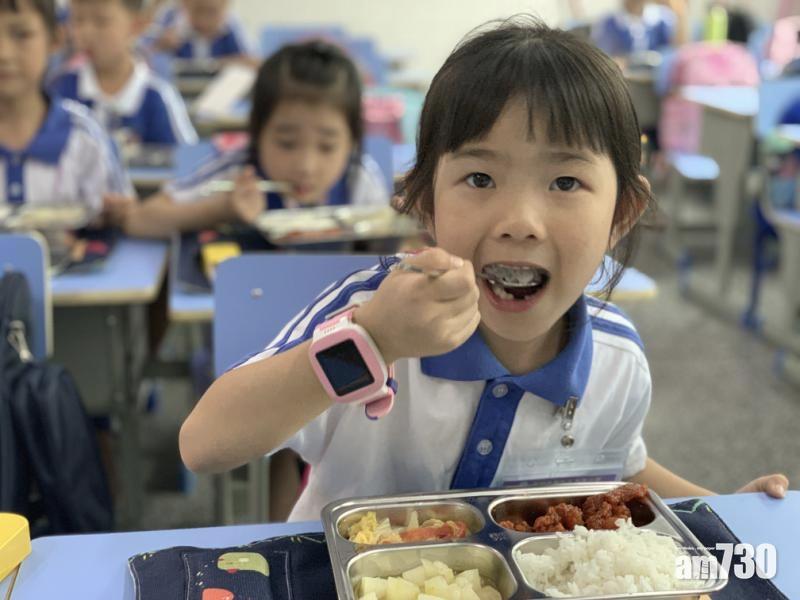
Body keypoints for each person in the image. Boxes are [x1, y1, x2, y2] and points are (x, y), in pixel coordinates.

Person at [179, 17, 788, 521]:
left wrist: (722, 510)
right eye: (479, 178)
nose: (519, 221)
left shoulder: (617, 359)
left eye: (565, 182)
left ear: (621, 214)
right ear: (424, 202)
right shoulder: (367, 311)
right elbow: (203, 444)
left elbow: (620, 468)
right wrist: (373, 342)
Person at [119, 40, 389, 239]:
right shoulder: (236, 171)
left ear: (352, 142)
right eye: (287, 143)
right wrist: (223, 209)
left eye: (327, 147)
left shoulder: (359, 180)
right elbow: (138, 220)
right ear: (258, 133)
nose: (306, 166)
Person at [0, 0, 131, 212]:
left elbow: (120, 220)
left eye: (22, 35)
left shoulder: (84, 137)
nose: (3, 53)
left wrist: (111, 219)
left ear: (56, 39)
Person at [50, 0, 197, 147]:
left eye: (101, 21)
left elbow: (188, 157)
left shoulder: (157, 97)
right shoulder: (59, 88)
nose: (86, 33)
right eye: (78, 20)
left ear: (137, 25)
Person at [143, 0, 252, 61]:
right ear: (185, 4)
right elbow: (141, 56)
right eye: (199, 11)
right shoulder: (168, 21)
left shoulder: (232, 26)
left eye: (211, 12)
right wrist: (159, 47)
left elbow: (252, 63)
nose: (205, 21)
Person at [592, 0, 688, 58]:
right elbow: (604, 55)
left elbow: (678, 50)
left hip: (657, 81)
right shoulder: (609, 23)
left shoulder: (663, 19)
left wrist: (679, 12)